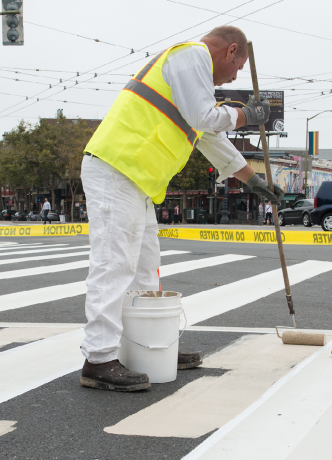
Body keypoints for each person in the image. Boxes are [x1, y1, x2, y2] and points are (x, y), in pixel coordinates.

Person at [79, 26, 284, 392]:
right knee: (114, 264)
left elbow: (211, 140)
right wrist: (246, 115)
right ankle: (99, 359)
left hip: (135, 178)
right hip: (116, 168)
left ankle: (150, 348)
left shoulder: (195, 84)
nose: (235, 76)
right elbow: (208, 118)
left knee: (144, 270)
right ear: (230, 50)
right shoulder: (191, 56)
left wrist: (253, 180)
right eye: (238, 67)